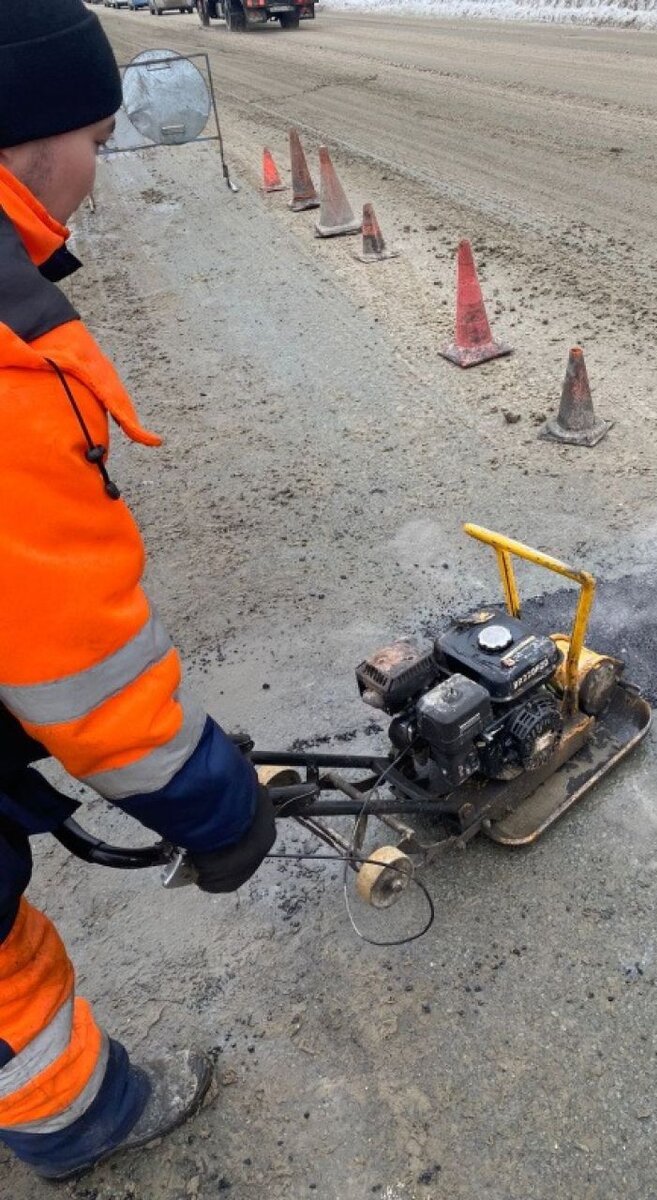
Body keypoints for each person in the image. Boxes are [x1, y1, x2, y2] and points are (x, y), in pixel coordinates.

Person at [0, 0, 277, 1181]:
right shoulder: (11, 359)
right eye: (97, 146)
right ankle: (76, 1123)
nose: (95, 178)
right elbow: (77, 668)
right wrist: (214, 804)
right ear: (29, 137)